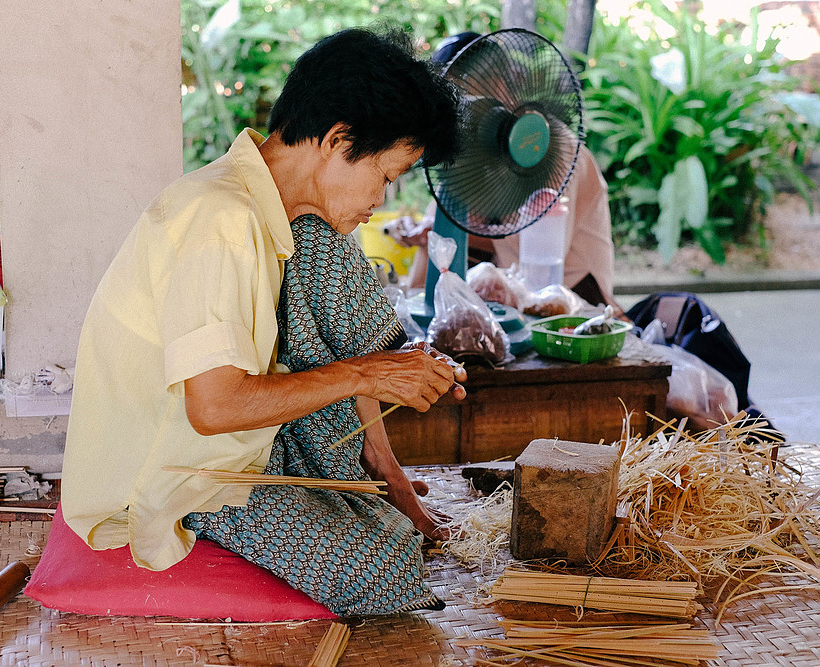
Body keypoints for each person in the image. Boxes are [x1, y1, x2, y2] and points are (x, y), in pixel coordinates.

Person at [61, 27, 466, 616]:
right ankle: (349, 501)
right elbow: (215, 409)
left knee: (331, 245)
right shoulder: (218, 220)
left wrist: (388, 468)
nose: (383, 198)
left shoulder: (272, 205)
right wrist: (366, 375)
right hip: (179, 472)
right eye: (385, 175)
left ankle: (368, 473)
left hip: (241, 443)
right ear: (337, 138)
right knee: (386, 574)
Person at [391, 32, 621, 312]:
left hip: (573, 298)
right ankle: (415, 329)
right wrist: (424, 231)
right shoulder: (479, 151)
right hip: (515, 288)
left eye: (457, 95)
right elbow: (444, 210)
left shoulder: (549, 147)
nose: (451, 110)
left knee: (441, 238)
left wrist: (439, 232)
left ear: (499, 83)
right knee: (436, 244)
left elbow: (537, 249)